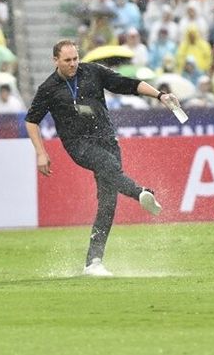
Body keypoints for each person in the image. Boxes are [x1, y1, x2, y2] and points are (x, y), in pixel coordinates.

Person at [24, 39, 181, 276]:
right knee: (108, 166)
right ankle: (140, 192)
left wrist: (160, 96)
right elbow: (31, 120)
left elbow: (128, 84)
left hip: (108, 139)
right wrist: (41, 152)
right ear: (55, 60)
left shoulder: (93, 71)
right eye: (67, 60)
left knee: (108, 203)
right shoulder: (48, 88)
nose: (73, 64)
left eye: (75, 58)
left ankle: (93, 262)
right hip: (79, 145)